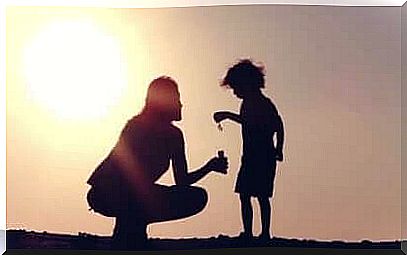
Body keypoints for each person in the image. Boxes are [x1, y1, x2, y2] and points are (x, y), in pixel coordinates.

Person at [86, 76, 229, 250]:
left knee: (197, 197)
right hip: (105, 194)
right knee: (136, 196)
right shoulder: (137, 127)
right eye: (177, 99)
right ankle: (131, 234)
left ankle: (133, 231)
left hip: (133, 196)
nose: (181, 105)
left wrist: (210, 167)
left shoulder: (174, 135)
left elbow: (182, 181)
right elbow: (124, 172)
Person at [213, 59, 284, 242]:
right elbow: (276, 125)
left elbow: (275, 124)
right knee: (245, 194)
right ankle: (249, 233)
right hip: (251, 157)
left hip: (263, 156)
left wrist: (279, 148)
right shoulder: (248, 104)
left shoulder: (263, 103)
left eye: (237, 87)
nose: (235, 92)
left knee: (261, 196)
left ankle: (265, 233)